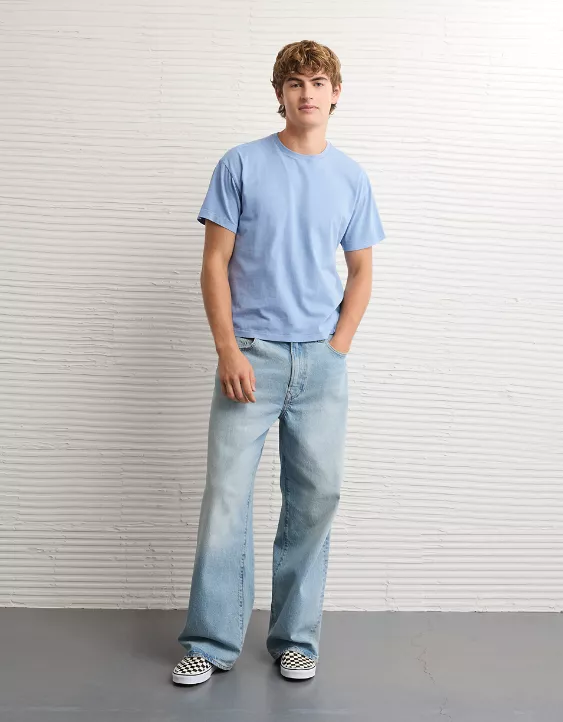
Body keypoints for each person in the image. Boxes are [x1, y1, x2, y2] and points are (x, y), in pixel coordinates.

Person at [173, 39, 385, 686]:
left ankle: (295, 640)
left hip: (320, 364)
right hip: (250, 359)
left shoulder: (351, 177)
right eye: (295, 83)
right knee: (226, 500)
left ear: (335, 93)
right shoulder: (241, 164)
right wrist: (227, 349)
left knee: (315, 500)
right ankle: (210, 643)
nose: (306, 92)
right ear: (279, 94)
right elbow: (214, 263)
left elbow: (361, 270)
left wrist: (338, 346)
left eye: (318, 81)